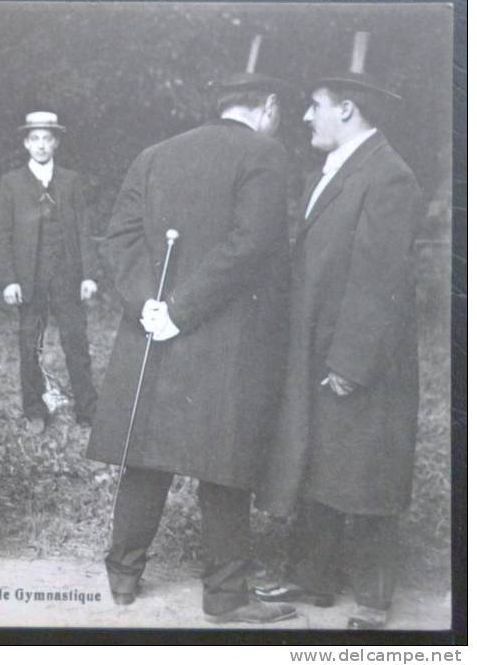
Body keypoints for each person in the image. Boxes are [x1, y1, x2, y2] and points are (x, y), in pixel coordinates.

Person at [86, 45, 297, 622]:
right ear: (268, 107)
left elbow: (119, 239)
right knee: (223, 466)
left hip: (152, 330)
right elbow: (251, 245)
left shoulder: (154, 155)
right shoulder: (265, 153)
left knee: (146, 457)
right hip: (223, 336)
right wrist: (182, 309)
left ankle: (123, 577)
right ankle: (226, 596)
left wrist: (148, 304)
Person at [254, 34, 423, 630]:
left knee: (369, 472)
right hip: (322, 346)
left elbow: (379, 282)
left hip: (362, 356)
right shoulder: (339, 168)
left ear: (347, 108)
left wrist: (351, 361)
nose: (304, 116)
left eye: (315, 104)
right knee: (322, 461)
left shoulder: (388, 176)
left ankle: (376, 599)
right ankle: (312, 578)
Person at [0, 111, 99, 434]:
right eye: (35, 139)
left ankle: (87, 411)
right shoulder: (11, 183)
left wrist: (88, 275)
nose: (41, 145)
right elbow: (4, 234)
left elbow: (83, 229)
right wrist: (9, 279)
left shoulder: (70, 181)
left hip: (66, 275)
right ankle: (34, 410)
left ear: (55, 143)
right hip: (29, 278)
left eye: (47, 139)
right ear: (26, 143)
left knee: (75, 341)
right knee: (30, 343)